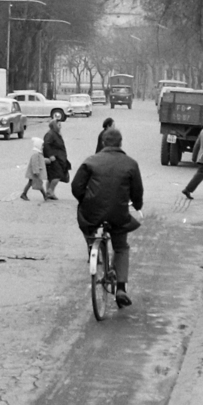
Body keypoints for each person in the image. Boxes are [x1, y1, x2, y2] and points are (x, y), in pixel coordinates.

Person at [71, 124, 145, 308]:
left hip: (92, 212)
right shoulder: (130, 163)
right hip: (118, 213)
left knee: (87, 223)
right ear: (120, 143)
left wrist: (86, 200)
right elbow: (137, 192)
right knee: (121, 247)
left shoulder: (91, 161)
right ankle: (120, 288)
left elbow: (76, 187)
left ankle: (92, 246)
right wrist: (137, 205)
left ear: (103, 142)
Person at [42, 116, 70, 199]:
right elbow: (46, 145)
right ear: (54, 125)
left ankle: (50, 193)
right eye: (59, 125)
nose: (60, 126)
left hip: (59, 158)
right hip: (54, 159)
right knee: (57, 175)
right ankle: (50, 191)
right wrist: (51, 155)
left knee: (52, 176)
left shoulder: (56, 134)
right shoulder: (50, 134)